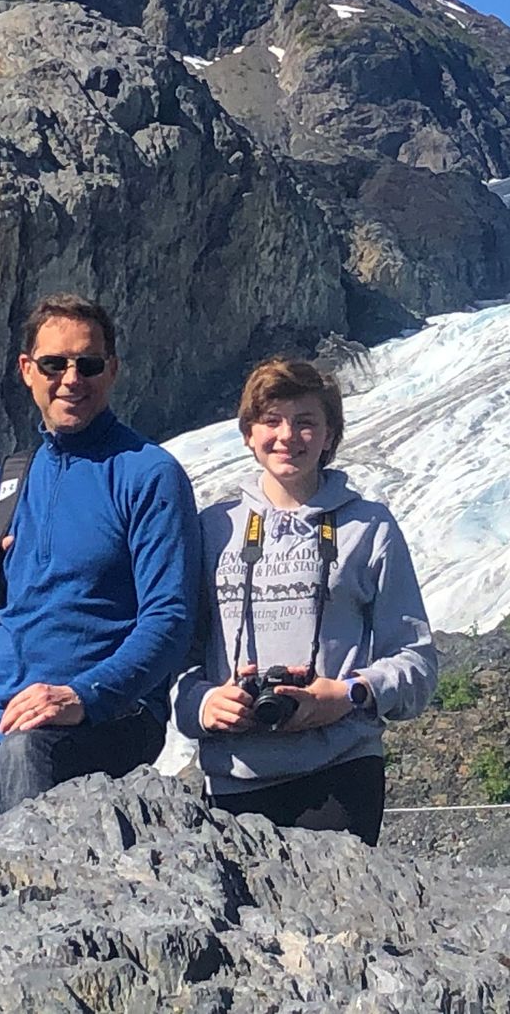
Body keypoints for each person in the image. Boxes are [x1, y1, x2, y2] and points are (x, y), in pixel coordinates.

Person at [0, 293, 201, 834]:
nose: (72, 378)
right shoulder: (11, 478)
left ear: (113, 370)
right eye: (55, 363)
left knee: (39, 900)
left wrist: (83, 696)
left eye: (89, 364)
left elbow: (170, 620)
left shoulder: (148, 474)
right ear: (27, 370)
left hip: (101, 723)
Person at [175, 357, 436, 845]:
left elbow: (417, 661)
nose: (287, 436)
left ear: (329, 435)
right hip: (232, 777)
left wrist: (350, 694)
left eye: (305, 422)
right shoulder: (212, 529)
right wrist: (206, 704)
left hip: (340, 775)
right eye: (271, 421)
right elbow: (179, 662)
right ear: (248, 433)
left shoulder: (370, 528)